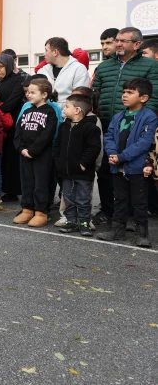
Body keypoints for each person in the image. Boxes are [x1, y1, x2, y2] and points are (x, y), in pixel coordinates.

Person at [92, 27, 158, 226]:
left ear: (137, 44)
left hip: (136, 127)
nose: (118, 44)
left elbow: (153, 96)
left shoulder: (150, 66)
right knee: (105, 168)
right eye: (117, 40)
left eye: (124, 41)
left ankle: (131, 214)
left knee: (133, 171)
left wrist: (144, 121)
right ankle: (107, 210)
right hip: (107, 125)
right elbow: (95, 95)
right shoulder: (103, 67)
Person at [98, 78, 157, 247]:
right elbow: (109, 136)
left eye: (130, 92)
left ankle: (142, 233)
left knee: (139, 202)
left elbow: (144, 142)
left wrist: (122, 156)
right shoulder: (118, 116)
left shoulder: (149, 117)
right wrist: (112, 154)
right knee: (120, 199)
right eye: (124, 92)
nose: (124, 95)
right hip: (117, 166)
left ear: (143, 98)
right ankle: (117, 230)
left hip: (137, 167)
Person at [13, 78, 59, 227]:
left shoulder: (50, 111)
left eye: (33, 92)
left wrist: (33, 150)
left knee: (41, 183)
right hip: (25, 154)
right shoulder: (26, 110)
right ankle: (27, 209)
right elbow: (18, 131)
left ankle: (41, 212)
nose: (29, 95)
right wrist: (21, 148)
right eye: (27, 92)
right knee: (26, 182)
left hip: (41, 155)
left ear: (44, 94)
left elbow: (48, 134)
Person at [53, 94, 101, 237]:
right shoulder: (64, 126)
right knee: (68, 197)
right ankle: (71, 221)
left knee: (83, 199)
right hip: (66, 172)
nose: (64, 109)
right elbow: (57, 145)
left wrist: (83, 164)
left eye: (67, 106)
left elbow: (93, 148)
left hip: (82, 172)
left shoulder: (91, 128)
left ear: (77, 110)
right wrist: (58, 162)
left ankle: (85, 222)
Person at [0, 53, 25, 201]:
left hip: (12, 123)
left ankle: (12, 191)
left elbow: (14, 100)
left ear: (9, 66)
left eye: (1, 67)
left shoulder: (18, 80)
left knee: (11, 158)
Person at [38, 37, 90, 105]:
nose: (44, 54)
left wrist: (61, 114)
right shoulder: (42, 71)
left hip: (68, 115)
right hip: (45, 114)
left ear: (55, 52)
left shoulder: (78, 69)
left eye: (46, 50)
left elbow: (79, 99)